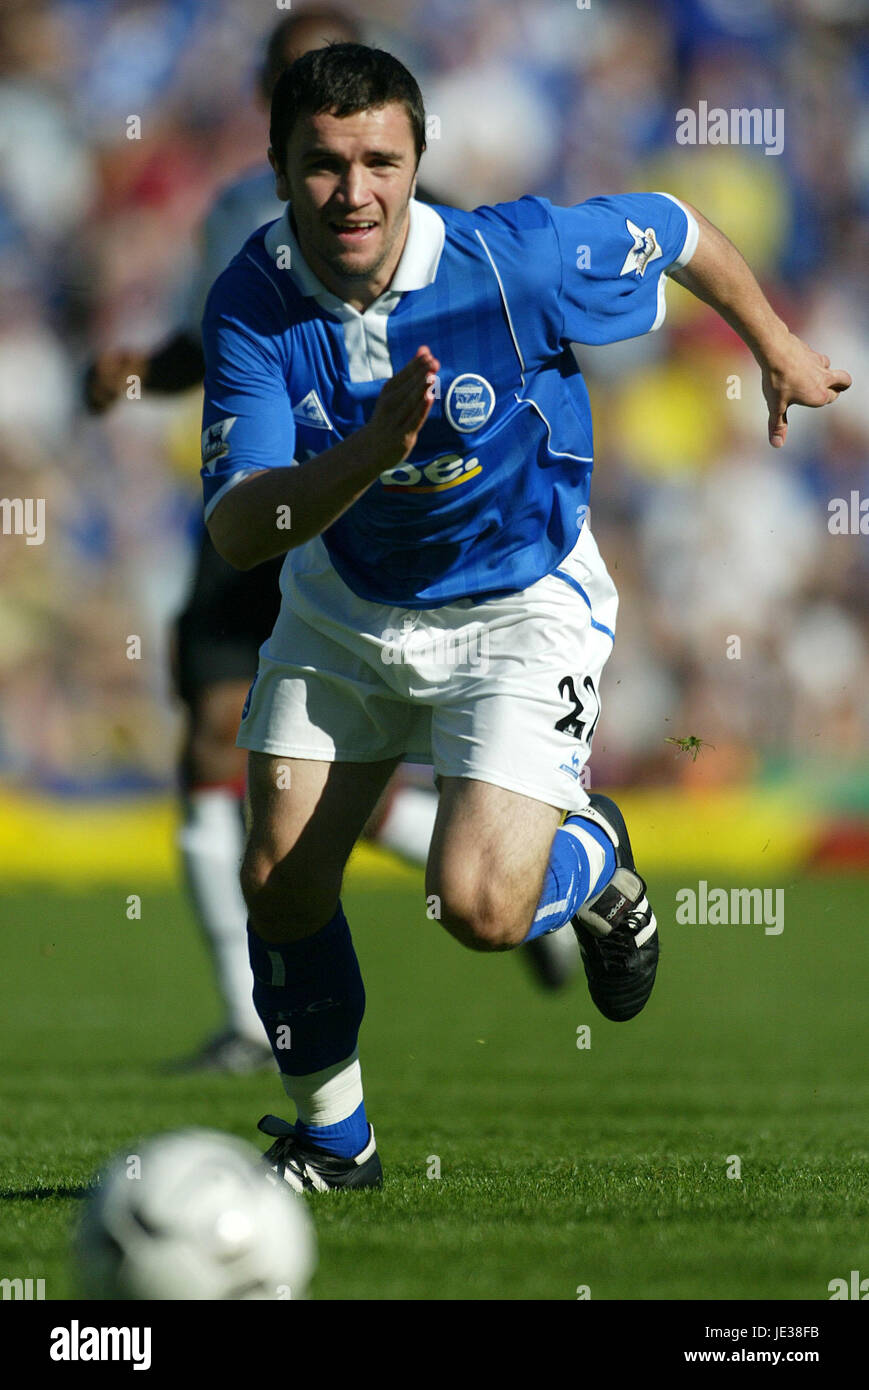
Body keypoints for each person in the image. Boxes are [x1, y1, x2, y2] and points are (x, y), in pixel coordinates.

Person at [201, 43, 850, 1188]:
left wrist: (777, 344)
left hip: (518, 603)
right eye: (322, 165)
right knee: (278, 878)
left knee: (483, 909)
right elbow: (243, 528)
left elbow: (675, 225)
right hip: (346, 603)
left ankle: (592, 862)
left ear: (416, 162)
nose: (353, 191)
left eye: (378, 161)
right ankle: (335, 1143)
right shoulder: (250, 302)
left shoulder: (516, 261)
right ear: (277, 166)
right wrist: (365, 457)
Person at [85, 15, 577, 1076]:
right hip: (260, 498)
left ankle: (525, 886)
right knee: (228, 757)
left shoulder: (433, 231)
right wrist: (135, 375)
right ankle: (249, 1023)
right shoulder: (230, 220)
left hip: (384, 525)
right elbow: (205, 348)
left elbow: (502, 352)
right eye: (290, 72)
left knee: (304, 780)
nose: (351, 179)